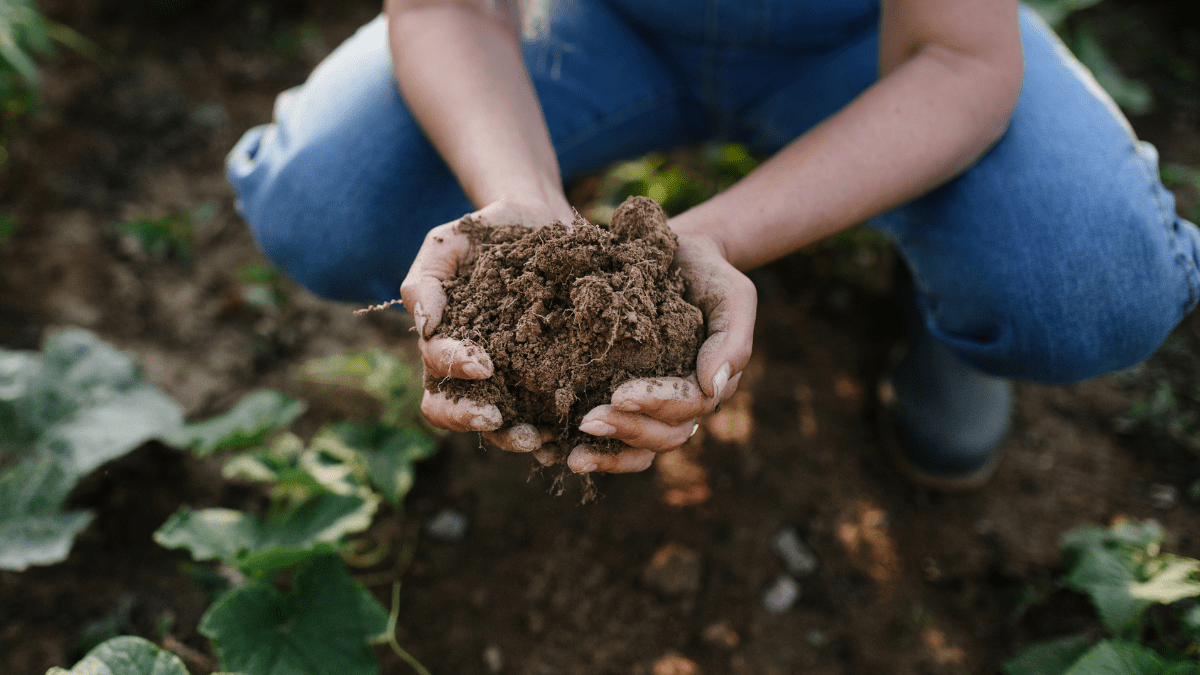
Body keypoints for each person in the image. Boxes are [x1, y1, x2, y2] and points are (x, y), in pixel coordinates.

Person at [226, 0, 1200, 489]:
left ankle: (950, 305)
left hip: (875, 42)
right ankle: (564, 178)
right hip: (603, 21)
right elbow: (451, 7)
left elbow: (958, 56)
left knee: (1086, 284)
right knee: (327, 206)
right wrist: (521, 202)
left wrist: (706, 240)